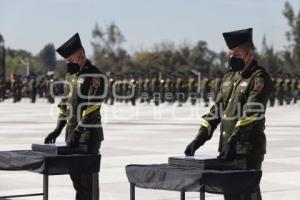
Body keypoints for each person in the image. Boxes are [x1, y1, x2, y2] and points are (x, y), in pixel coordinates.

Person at [184, 28, 272, 200]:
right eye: (230, 54)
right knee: (230, 196)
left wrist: (234, 141)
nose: (233, 58)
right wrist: (200, 138)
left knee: (247, 196)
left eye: (237, 54)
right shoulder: (229, 78)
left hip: (246, 151)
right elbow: (215, 111)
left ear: (250, 54)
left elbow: (251, 113)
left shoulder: (259, 78)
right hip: (227, 150)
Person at [44, 33, 106, 200]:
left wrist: (78, 132)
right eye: (67, 61)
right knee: (76, 181)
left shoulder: (95, 76)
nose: (68, 64)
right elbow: (65, 104)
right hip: (71, 135)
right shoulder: (70, 76)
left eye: (71, 60)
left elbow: (92, 109)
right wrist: (58, 128)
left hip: (88, 136)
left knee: (88, 182)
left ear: (81, 56)